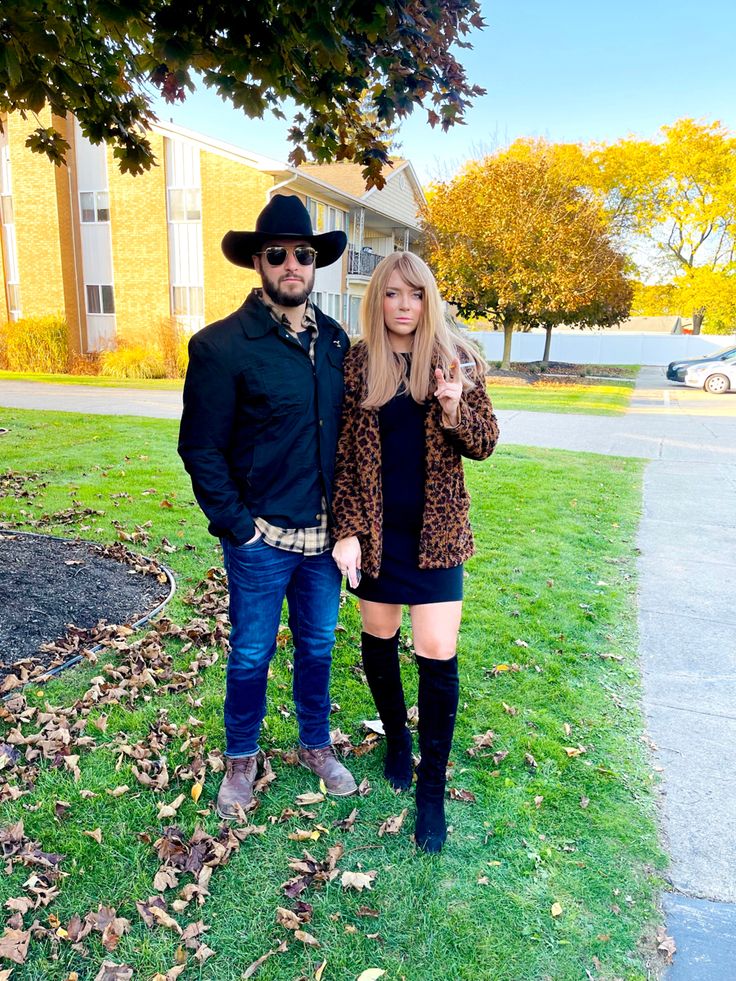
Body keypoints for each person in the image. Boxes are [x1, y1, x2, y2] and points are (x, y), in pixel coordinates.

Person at [178, 194, 358, 819]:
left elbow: (354, 436)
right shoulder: (221, 347)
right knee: (253, 652)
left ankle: (314, 744)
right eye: (277, 254)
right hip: (261, 541)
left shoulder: (335, 342)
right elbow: (200, 448)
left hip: (324, 542)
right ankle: (241, 758)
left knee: (318, 648)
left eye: (302, 255)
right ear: (258, 261)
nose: (291, 265)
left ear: (315, 265)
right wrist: (238, 527)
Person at [331, 252, 499, 852]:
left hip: (437, 535)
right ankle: (396, 739)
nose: (404, 306)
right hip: (377, 535)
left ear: (430, 300)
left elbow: (485, 443)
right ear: (377, 300)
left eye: (416, 295)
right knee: (379, 637)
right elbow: (344, 458)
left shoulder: (456, 359)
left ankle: (432, 788)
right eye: (392, 295)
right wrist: (346, 529)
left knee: (436, 650)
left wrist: (454, 407)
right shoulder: (356, 365)